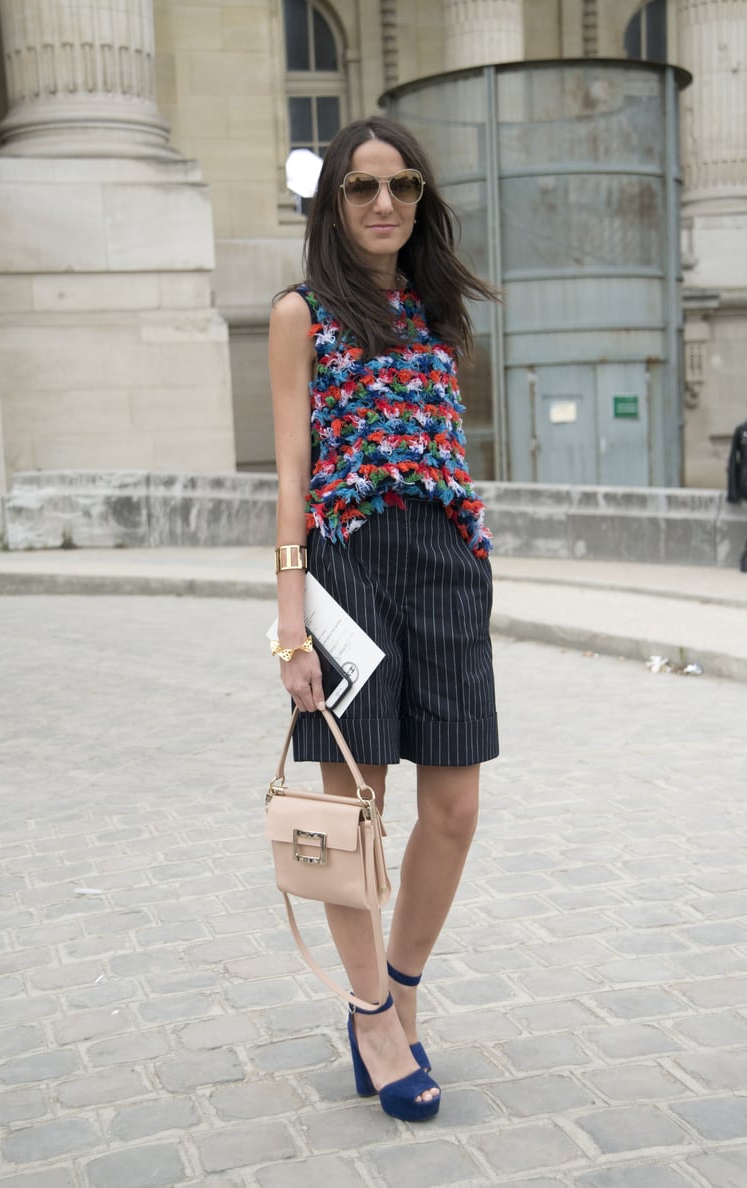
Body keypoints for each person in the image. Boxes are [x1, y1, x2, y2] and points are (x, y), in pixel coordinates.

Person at [268, 116, 499, 1122]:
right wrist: (289, 620)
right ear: (333, 203)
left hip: (447, 560)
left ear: (420, 200)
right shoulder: (301, 312)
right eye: (363, 188)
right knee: (353, 814)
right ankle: (368, 1015)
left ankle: (402, 990)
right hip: (348, 567)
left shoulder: (440, 313)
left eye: (402, 186)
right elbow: (290, 473)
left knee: (453, 808)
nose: (383, 204)